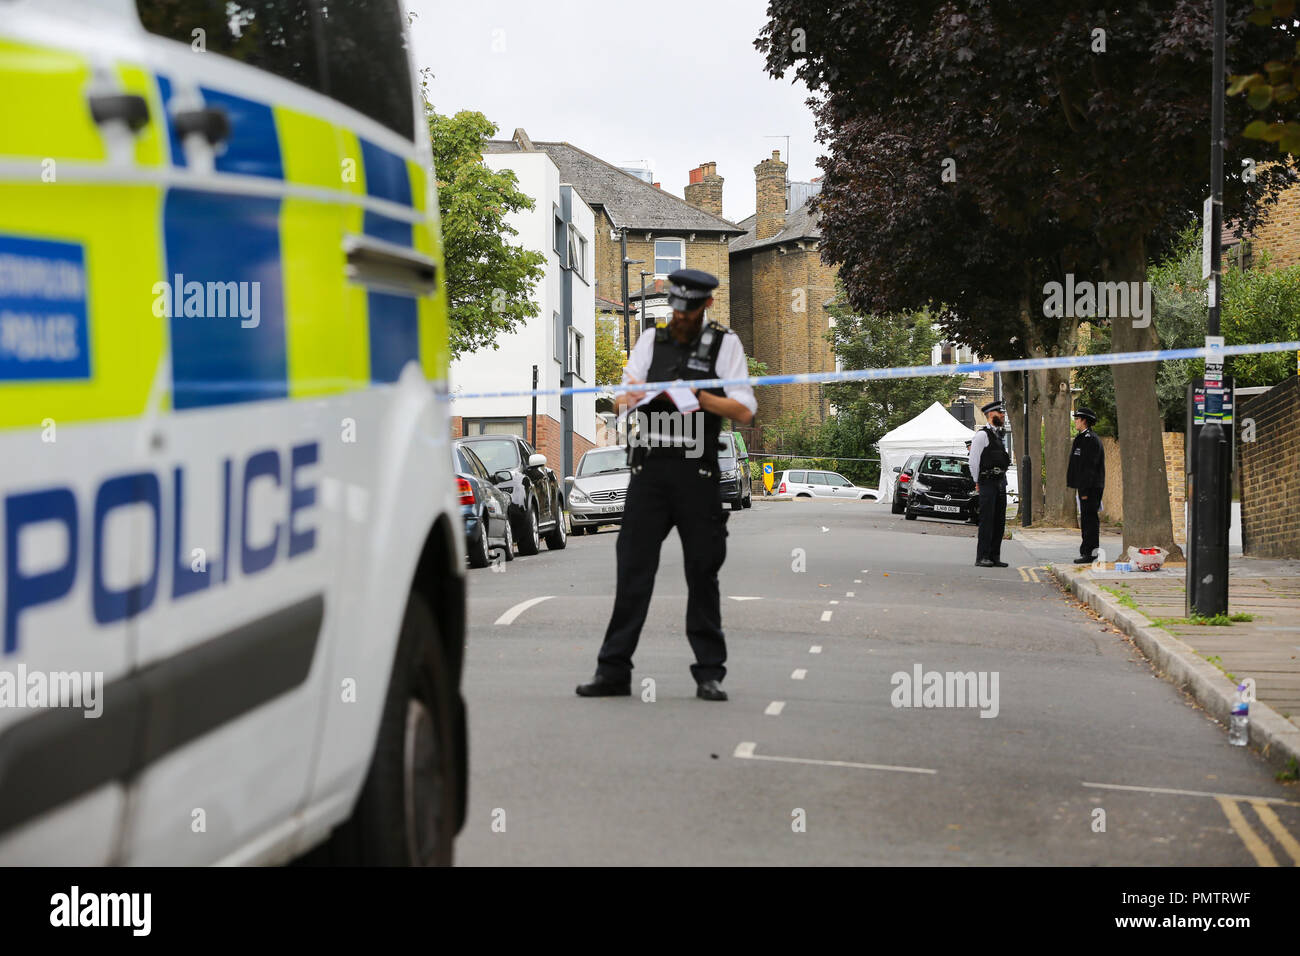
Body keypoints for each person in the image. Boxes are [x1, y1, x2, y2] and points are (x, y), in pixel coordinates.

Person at [576, 269, 757, 702]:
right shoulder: (649, 341)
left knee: (702, 572)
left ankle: (709, 674)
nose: (680, 317)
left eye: (689, 311)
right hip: (650, 470)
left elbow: (745, 409)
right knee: (633, 572)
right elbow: (621, 398)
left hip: (697, 471)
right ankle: (613, 671)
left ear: (705, 307)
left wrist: (698, 395)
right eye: (676, 308)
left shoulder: (724, 343)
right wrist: (635, 395)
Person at [968, 400, 1011, 568]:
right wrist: (976, 481)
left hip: (1000, 482)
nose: (1002, 415)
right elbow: (974, 460)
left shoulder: (998, 435)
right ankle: (982, 556)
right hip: (987, 482)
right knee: (987, 520)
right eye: (1000, 413)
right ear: (991, 415)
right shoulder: (982, 435)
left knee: (999, 520)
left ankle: (994, 555)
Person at [1067, 406, 1106, 564]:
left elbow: (1089, 467)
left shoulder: (1090, 440)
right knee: (1086, 519)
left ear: (1084, 421)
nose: (1075, 421)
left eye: (1077, 419)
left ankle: (1089, 552)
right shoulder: (1081, 438)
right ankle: (1087, 551)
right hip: (1084, 486)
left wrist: (1084, 490)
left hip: (1090, 487)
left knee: (1089, 520)